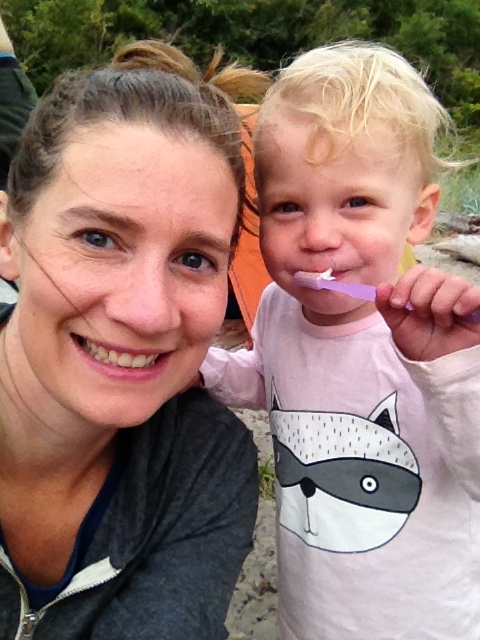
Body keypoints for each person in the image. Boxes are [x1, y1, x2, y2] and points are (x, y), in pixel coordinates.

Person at [200, 41, 480, 639]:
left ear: (419, 216)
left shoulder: (442, 338)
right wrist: (200, 366)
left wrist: (458, 371)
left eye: (356, 202)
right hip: (309, 618)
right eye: (288, 207)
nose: (319, 235)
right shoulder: (278, 305)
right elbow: (270, 382)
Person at [0, 49, 264, 639]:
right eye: (98, 238)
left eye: (193, 259)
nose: (148, 313)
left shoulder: (203, 461)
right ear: (8, 238)